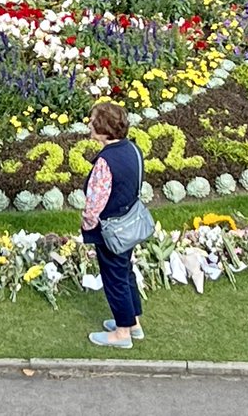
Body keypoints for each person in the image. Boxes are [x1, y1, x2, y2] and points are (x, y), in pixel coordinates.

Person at [80, 101, 144, 349]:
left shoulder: (105, 161)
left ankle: (122, 333)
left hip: (111, 230)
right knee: (125, 272)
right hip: (129, 223)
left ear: (104, 128)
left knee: (114, 277)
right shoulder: (133, 150)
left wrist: (87, 225)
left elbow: (94, 204)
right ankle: (133, 322)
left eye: (93, 121)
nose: (89, 124)